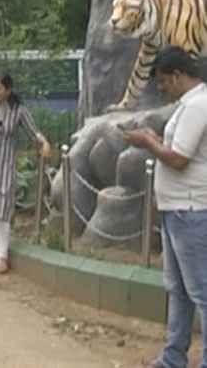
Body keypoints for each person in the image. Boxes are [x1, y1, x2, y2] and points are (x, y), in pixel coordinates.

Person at [123, 46, 207, 368]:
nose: (161, 88)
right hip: (177, 210)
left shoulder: (198, 105)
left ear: (177, 75)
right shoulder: (188, 106)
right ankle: (173, 357)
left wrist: (148, 142)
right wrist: (155, 137)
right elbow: (178, 148)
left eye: (162, 81)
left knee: (200, 291)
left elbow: (179, 158)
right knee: (178, 289)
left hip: (191, 210)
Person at [0, 73, 51, 274]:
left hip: (5, 164)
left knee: (3, 209)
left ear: (8, 90)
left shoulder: (18, 111)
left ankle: (3, 256)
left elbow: (33, 132)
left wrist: (44, 142)